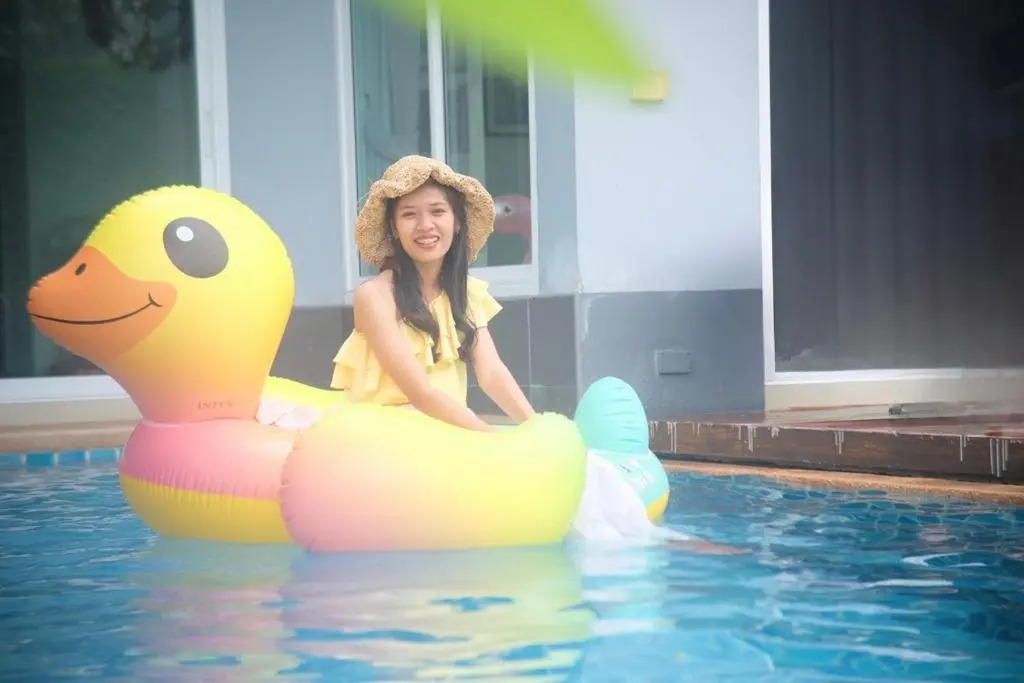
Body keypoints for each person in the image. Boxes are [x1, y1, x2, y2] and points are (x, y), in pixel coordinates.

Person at [329, 155, 531, 429]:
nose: (425, 225)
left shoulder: (466, 292)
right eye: (409, 214)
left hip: (449, 432)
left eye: (437, 211)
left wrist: (537, 428)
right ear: (394, 228)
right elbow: (421, 394)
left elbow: (492, 373)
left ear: (457, 222)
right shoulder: (374, 297)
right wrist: (489, 437)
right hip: (389, 439)